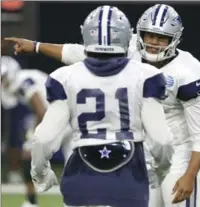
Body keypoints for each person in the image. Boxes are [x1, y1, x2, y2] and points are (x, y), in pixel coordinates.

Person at [6, 3, 200, 207]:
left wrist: (189, 174)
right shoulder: (129, 47)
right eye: (149, 35)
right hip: (142, 151)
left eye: (161, 37)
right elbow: (80, 52)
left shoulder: (187, 72)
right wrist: (36, 46)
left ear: (174, 39)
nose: (153, 42)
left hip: (177, 152)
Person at [30, 5, 173, 207]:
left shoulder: (65, 77)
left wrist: (40, 173)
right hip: (129, 179)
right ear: (126, 37)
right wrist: (160, 170)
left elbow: (43, 138)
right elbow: (162, 140)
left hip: (80, 178)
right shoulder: (147, 75)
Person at [1, 56, 73, 207]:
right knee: (74, 166)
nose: (3, 82)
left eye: (3, 77)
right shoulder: (26, 76)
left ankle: (31, 202)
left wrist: (35, 135)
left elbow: (40, 108)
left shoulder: (22, 82)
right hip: (69, 117)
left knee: (28, 153)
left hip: (59, 119)